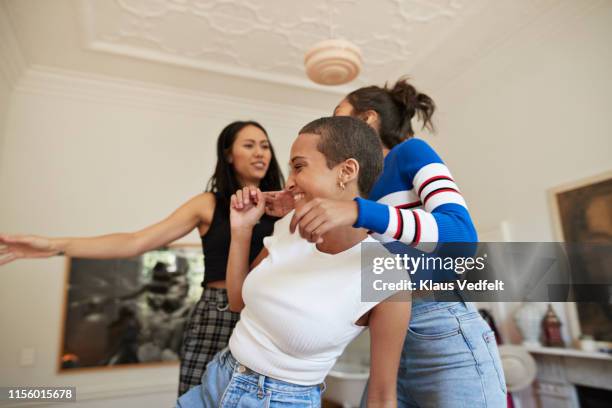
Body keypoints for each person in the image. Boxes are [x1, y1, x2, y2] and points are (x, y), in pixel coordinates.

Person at [267, 79, 507, 407]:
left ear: (368, 119)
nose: (332, 126)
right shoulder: (359, 187)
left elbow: (461, 236)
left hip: (440, 325)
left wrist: (357, 210)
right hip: (389, 339)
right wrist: (296, 201)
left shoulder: (410, 152)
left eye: (339, 115)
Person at [0, 120, 285, 396]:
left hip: (265, 313)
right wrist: (51, 246)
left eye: (264, 145)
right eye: (249, 145)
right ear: (228, 154)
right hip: (217, 313)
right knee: (198, 398)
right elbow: (135, 241)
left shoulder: (283, 209)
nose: (260, 152)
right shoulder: (207, 204)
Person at [177, 116, 411, 408]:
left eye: (299, 167)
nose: (288, 182)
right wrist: (242, 231)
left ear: (347, 171)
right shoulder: (288, 227)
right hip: (215, 381)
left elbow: (381, 396)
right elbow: (238, 302)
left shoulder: (387, 275)